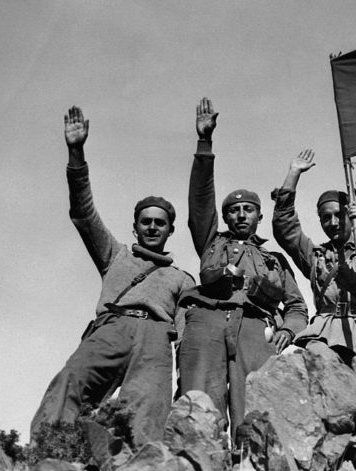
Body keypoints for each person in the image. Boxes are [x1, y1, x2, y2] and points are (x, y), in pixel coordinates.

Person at [31, 106, 195, 446]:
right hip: (112, 327)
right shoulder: (115, 254)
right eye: (145, 221)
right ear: (135, 227)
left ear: (170, 230)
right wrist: (76, 153)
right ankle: (48, 453)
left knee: (146, 411)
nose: (152, 226)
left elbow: (185, 334)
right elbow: (83, 212)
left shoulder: (182, 278)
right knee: (72, 381)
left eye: (159, 223)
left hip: (156, 338)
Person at [177, 98, 308, 438]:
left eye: (248, 210)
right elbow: (200, 201)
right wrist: (204, 144)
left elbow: (297, 307)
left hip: (255, 328)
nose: (240, 215)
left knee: (257, 412)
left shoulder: (274, 260)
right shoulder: (211, 242)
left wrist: (288, 331)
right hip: (207, 320)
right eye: (234, 211)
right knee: (198, 406)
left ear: (259, 216)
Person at [270, 150, 356, 389]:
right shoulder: (317, 256)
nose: (332, 223)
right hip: (324, 337)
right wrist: (293, 174)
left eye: (339, 215)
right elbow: (285, 228)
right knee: (321, 404)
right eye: (325, 218)